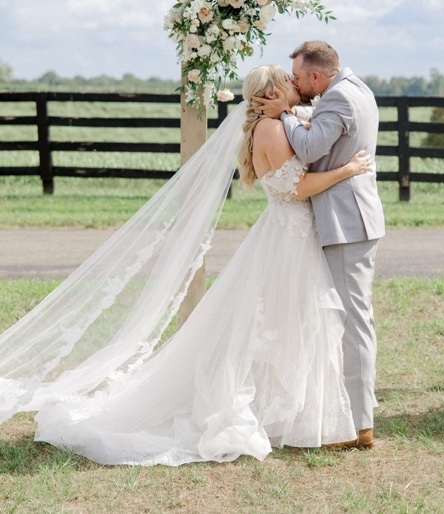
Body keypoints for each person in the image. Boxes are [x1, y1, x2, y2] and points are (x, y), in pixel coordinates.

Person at [0, 64, 373, 465]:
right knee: (280, 323)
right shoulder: (272, 130)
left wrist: (289, 111)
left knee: (287, 324)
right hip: (290, 236)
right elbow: (297, 189)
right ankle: (280, 411)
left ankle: (293, 410)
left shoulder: (277, 123)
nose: (295, 86)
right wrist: (347, 170)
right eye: (288, 81)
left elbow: (303, 131)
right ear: (274, 90)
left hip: (291, 235)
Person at [254, 41, 385, 450]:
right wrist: (292, 113)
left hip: (347, 223)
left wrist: (282, 115)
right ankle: (341, 414)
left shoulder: (340, 98)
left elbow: (310, 148)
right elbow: (321, 127)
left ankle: (360, 425)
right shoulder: (354, 87)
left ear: (315, 76)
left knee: (352, 321)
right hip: (347, 219)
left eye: (297, 77)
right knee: (344, 319)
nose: (294, 82)